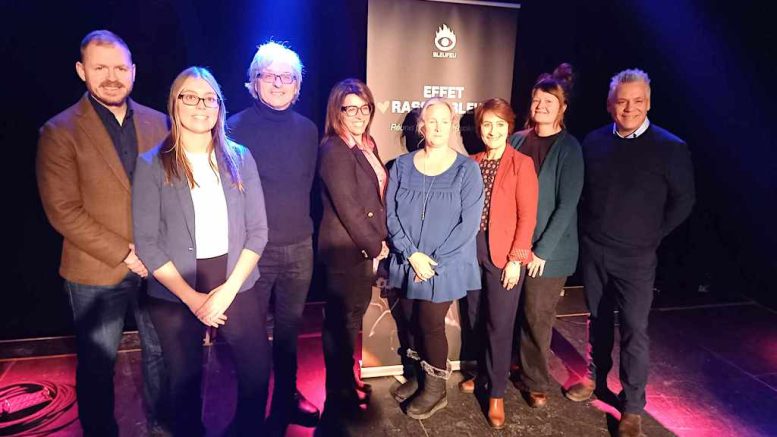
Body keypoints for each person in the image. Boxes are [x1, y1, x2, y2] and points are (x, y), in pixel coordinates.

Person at [36, 29, 169, 436]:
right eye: (100, 68)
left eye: (119, 68)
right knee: (98, 364)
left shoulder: (160, 121)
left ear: (133, 71)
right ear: (82, 71)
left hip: (158, 267)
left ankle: (161, 428)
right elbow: (63, 211)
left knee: (161, 354)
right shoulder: (59, 131)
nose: (111, 77)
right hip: (94, 272)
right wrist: (129, 254)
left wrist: (158, 251)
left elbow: (173, 191)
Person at [132, 66, 270, 436]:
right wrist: (193, 299)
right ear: (174, 104)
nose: (200, 105)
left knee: (257, 372)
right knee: (184, 380)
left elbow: (258, 232)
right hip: (176, 286)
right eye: (190, 96)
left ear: (220, 107)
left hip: (235, 280)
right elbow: (147, 242)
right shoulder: (151, 164)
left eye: (209, 98)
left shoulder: (241, 157)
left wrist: (226, 292)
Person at [565, 69, 694, 437]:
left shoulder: (671, 147)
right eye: (622, 100)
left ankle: (633, 406)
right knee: (597, 319)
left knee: (635, 330)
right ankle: (593, 378)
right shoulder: (593, 142)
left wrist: (652, 235)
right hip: (595, 251)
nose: (629, 107)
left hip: (637, 256)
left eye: (638, 101)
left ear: (648, 103)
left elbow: (684, 201)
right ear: (610, 105)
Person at [227, 41, 320, 432]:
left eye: (288, 76)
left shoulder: (309, 130)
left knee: (287, 332)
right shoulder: (232, 127)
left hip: (300, 247)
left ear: (298, 86)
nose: (279, 83)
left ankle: (284, 400)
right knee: (249, 339)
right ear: (253, 82)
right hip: (252, 253)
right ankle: (249, 410)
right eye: (270, 75)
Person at [387, 98, 484, 420]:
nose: (439, 127)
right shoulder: (401, 166)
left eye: (445, 120)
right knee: (411, 318)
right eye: (432, 121)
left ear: (453, 124)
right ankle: (417, 375)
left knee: (429, 323)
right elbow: (391, 216)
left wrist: (433, 261)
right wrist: (411, 254)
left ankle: (435, 389)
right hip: (408, 259)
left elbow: (468, 225)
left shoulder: (467, 169)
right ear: (422, 126)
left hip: (445, 265)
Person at [458, 98, 538, 428]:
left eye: (499, 125)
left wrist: (517, 259)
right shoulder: (472, 162)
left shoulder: (521, 163)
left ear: (509, 127)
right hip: (471, 250)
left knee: (500, 325)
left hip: (504, 255)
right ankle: (482, 375)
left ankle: (497, 394)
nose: (492, 130)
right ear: (480, 128)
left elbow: (527, 216)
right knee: (475, 317)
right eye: (487, 124)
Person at [509, 64, 584, 409]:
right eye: (537, 100)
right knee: (511, 311)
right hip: (513, 245)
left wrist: (541, 251)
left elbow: (567, 204)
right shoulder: (516, 140)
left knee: (536, 315)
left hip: (548, 253)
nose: (541, 106)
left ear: (562, 107)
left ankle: (535, 380)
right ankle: (511, 364)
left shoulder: (569, 148)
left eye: (549, 101)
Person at [317, 78, 389, 418]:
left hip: (360, 250)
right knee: (340, 324)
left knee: (349, 321)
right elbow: (349, 208)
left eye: (365, 108)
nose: (359, 114)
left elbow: (373, 199)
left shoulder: (366, 145)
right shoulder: (334, 149)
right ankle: (339, 393)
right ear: (337, 112)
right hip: (345, 252)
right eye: (351, 109)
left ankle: (347, 379)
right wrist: (377, 246)